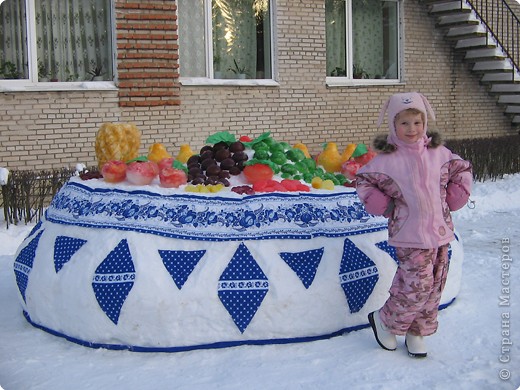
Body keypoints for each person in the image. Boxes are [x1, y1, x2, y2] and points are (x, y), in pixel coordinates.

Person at [355, 92, 472, 358]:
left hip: (441, 232)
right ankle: (385, 320)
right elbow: (363, 181)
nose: (412, 129)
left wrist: (457, 194)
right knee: (416, 286)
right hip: (408, 233)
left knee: (433, 287)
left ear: (425, 123)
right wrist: (379, 202)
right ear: (393, 125)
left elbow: (462, 170)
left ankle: (416, 331)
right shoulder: (387, 160)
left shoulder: (439, 153)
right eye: (404, 123)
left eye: (417, 123)